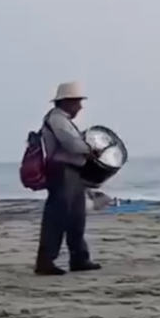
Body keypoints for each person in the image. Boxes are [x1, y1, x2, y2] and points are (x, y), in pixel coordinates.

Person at [34, 81, 102, 276]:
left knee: (75, 217)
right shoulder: (57, 120)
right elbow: (72, 144)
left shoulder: (60, 119)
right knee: (58, 218)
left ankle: (79, 258)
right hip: (62, 171)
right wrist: (90, 151)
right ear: (67, 102)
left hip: (70, 171)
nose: (80, 107)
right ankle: (46, 261)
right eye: (77, 102)